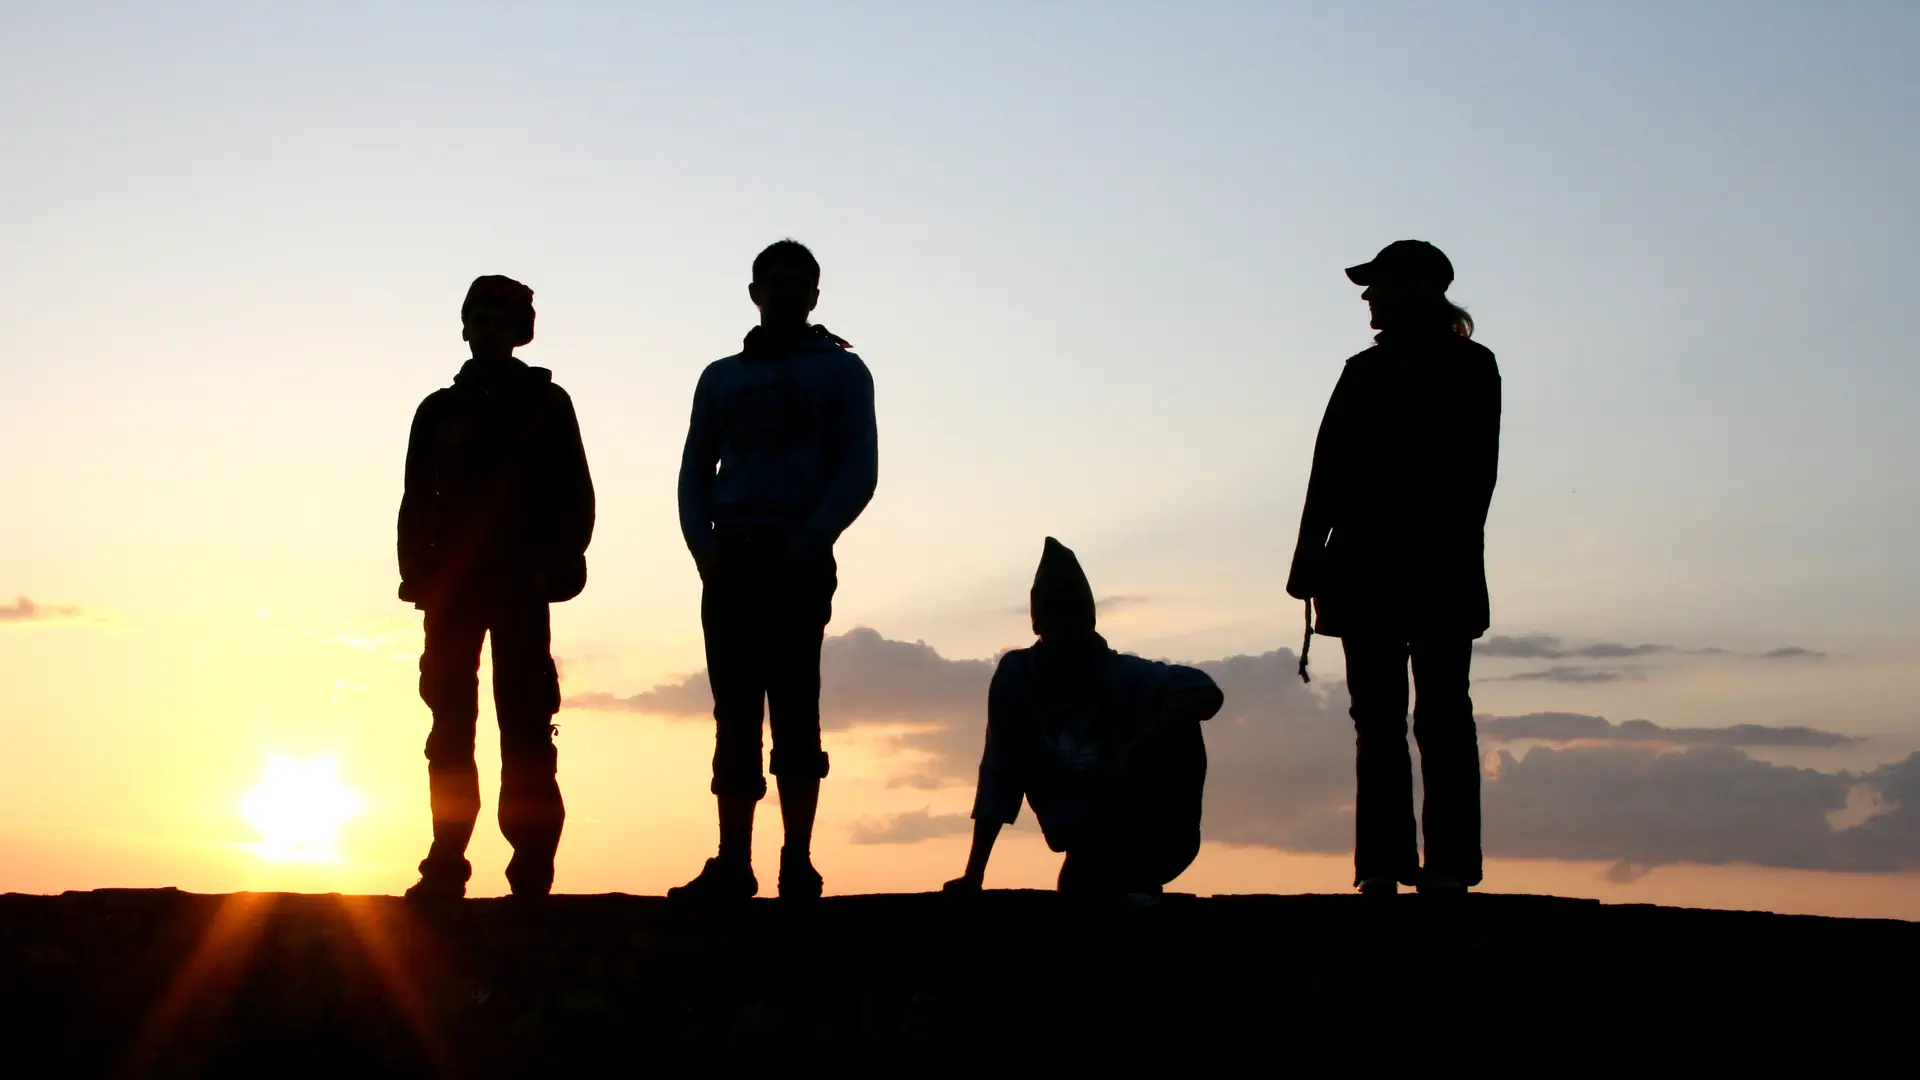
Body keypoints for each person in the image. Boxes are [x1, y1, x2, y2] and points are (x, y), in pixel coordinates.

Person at [1285, 240, 1501, 897]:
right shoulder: (1362, 371)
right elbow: (1326, 472)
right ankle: (1383, 866)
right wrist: (1307, 563)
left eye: (1379, 286)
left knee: (1438, 715)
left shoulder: (1471, 368)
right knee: (1380, 719)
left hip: (1434, 569)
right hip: (1365, 570)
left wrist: (1411, 545)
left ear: (1417, 290)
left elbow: (1473, 479)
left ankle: (1449, 869)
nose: (1369, 298)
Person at [672, 239, 878, 903]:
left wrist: (812, 539)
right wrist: (704, 551)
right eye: (776, 284)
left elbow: (859, 469)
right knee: (734, 714)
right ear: (755, 291)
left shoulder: (844, 374)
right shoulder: (721, 378)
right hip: (731, 555)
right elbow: (693, 471)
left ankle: (797, 858)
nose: (788, 296)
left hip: (798, 557)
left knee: (795, 708)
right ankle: (734, 860)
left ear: (816, 295)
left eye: (800, 285)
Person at [398, 275, 596, 900]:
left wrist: (559, 562)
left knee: (527, 725)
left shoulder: (548, 404)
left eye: (499, 320)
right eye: (477, 317)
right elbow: (415, 501)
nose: (486, 329)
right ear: (464, 326)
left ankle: (532, 864)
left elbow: (575, 493)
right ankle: (446, 859)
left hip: (520, 585)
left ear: (521, 333)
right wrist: (419, 575)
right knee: (450, 728)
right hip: (452, 592)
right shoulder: (437, 410)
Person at [944, 538, 1222, 904]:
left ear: (1089, 621)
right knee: (1084, 888)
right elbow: (1000, 772)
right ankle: (1108, 875)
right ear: (1038, 623)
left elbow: (1205, 693)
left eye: (1072, 615)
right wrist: (974, 875)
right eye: (1054, 616)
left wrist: (1134, 752)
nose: (1064, 627)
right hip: (1082, 837)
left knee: (1181, 722)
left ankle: (1140, 872)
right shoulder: (1017, 676)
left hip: (1152, 835)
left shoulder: (1125, 675)